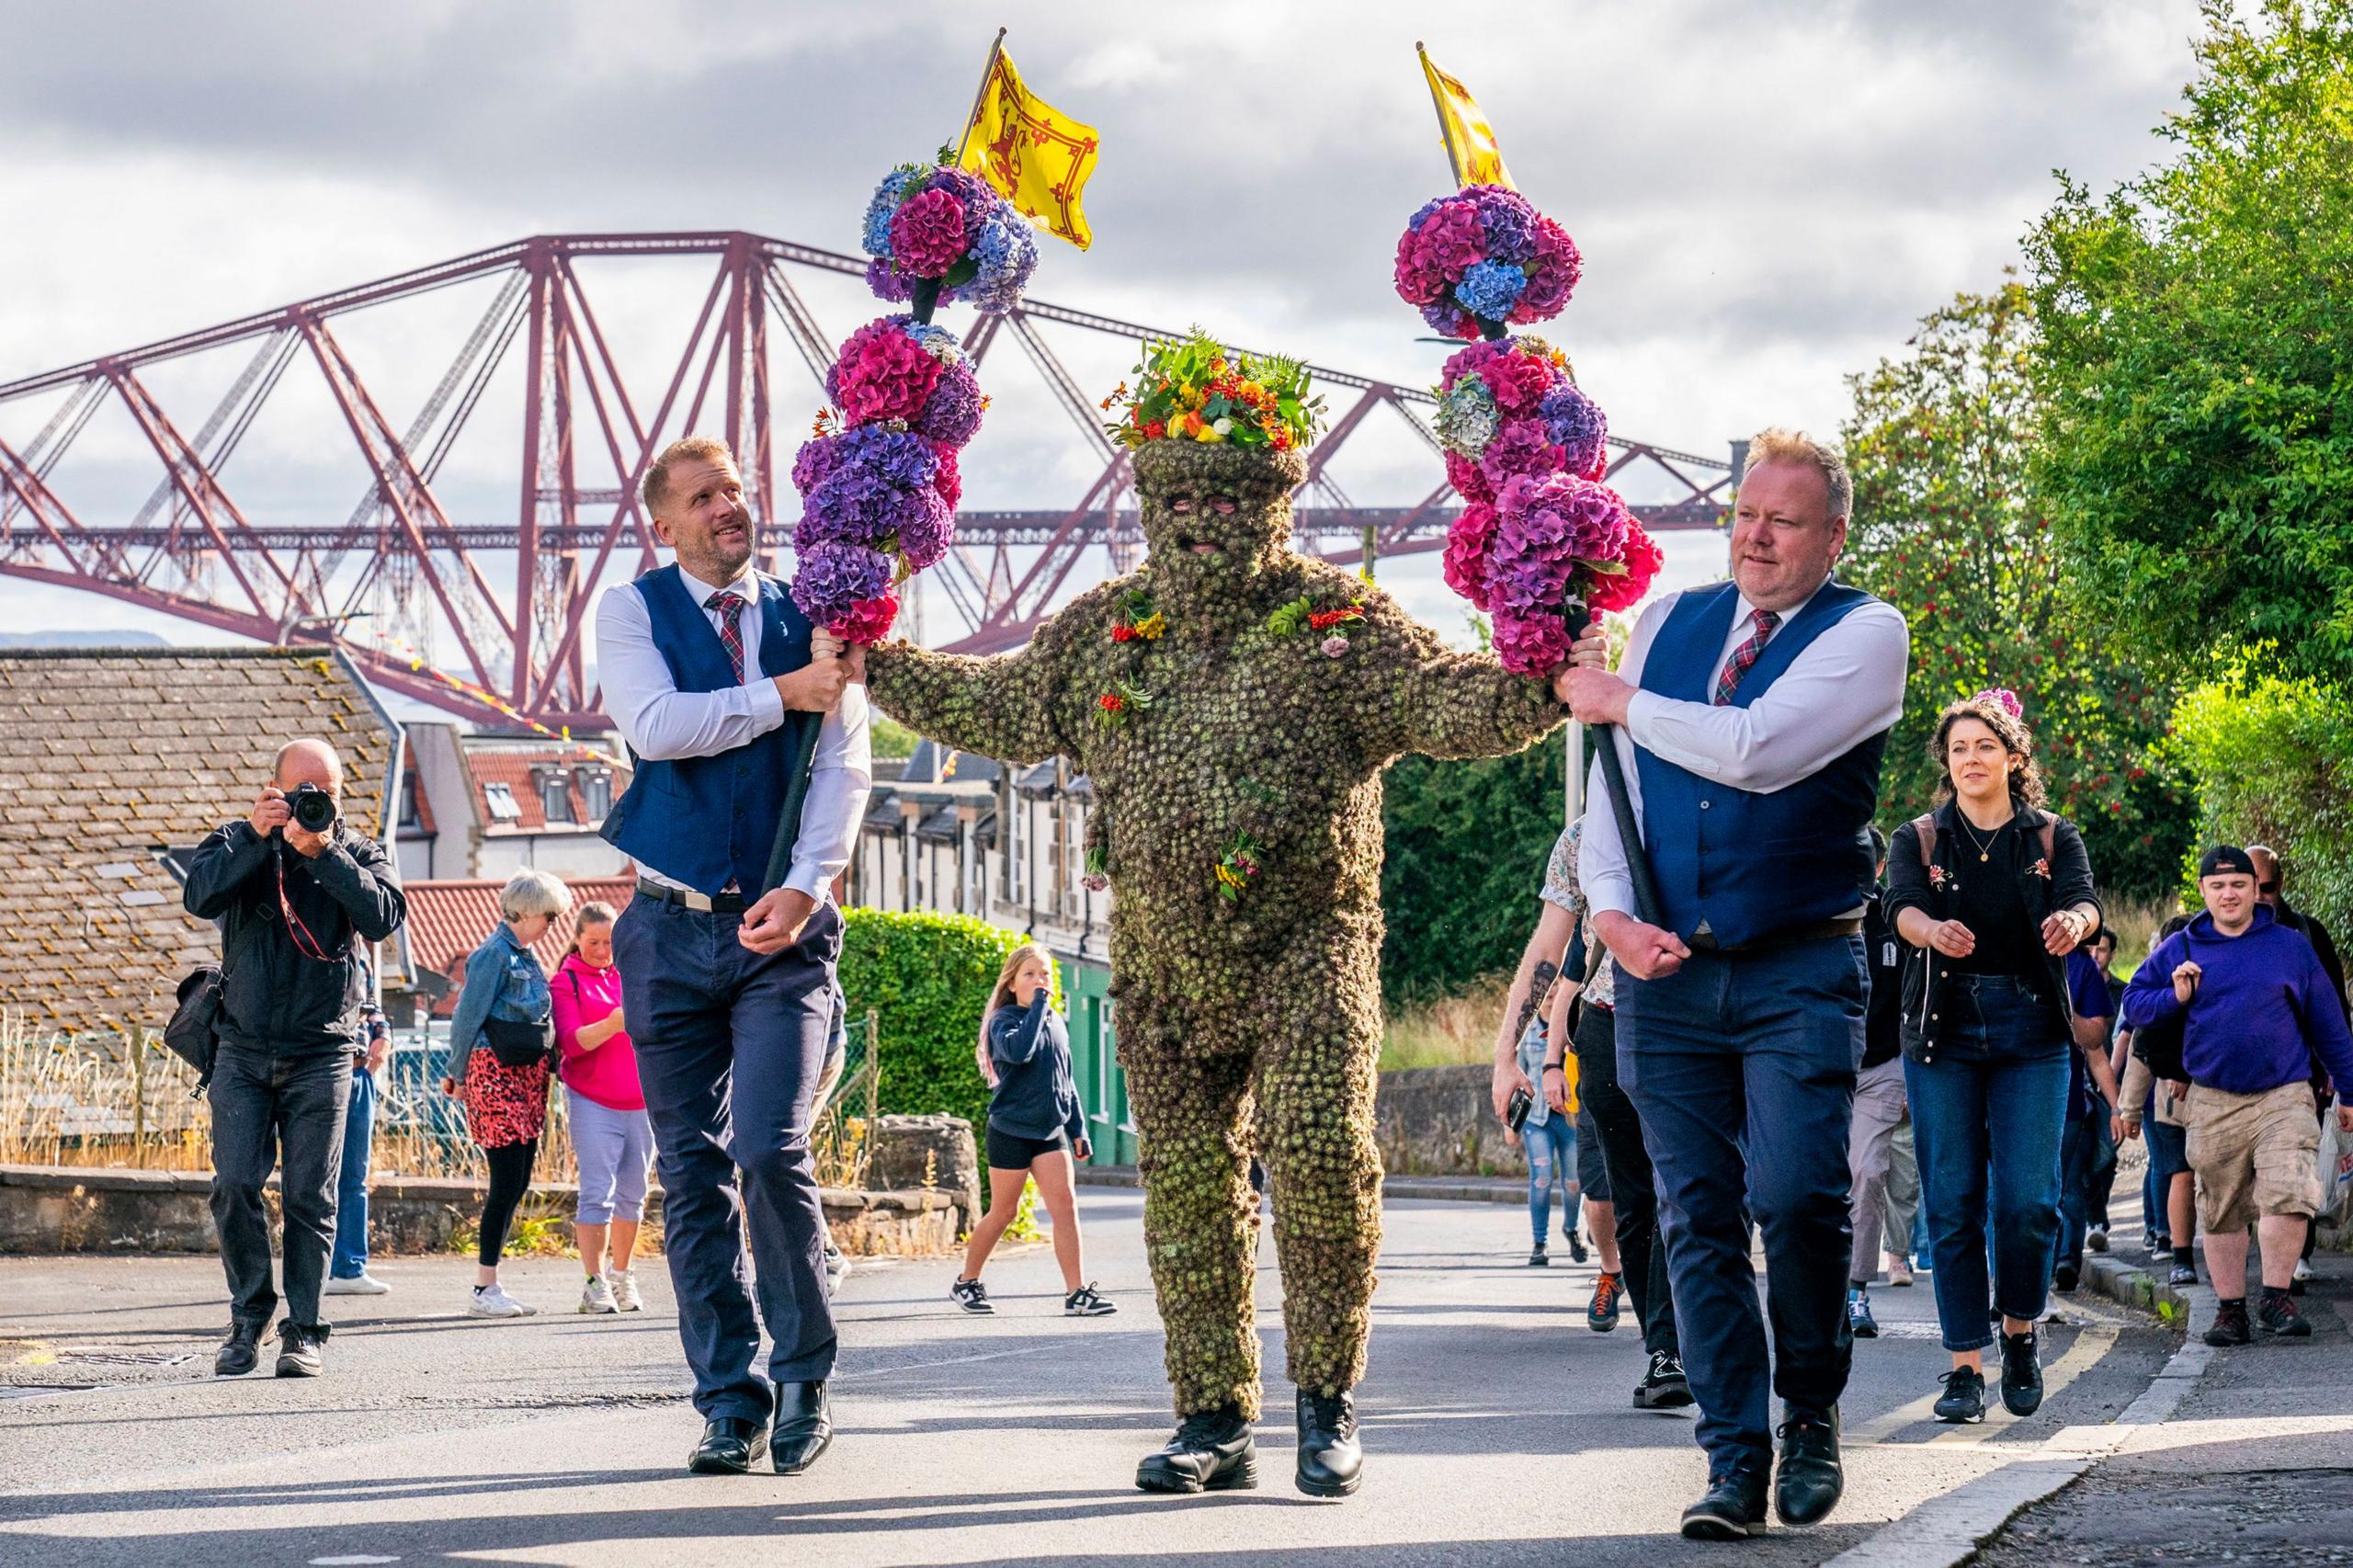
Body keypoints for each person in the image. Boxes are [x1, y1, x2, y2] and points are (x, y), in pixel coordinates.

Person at [1563, 428, 1906, 1537]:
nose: (1756, 536)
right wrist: (1608, 913)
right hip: (1662, 976)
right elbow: (1607, 790)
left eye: (1784, 519)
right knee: (1694, 1217)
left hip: (1799, 961)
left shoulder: (1867, 633)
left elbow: (1755, 748)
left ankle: (1809, 1410)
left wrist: (1619, 700)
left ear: (1832, 534)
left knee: (1796, 1194)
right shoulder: (1669, 620)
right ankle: (1730, 1458)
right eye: (1745, 513)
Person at [597, 435, 868, 1478]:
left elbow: (844, 762)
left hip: (783, 933)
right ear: (663, 524)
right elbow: (657, 727)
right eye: (704, 497)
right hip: (666, 926)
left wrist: (810, 885)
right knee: (692, 1168)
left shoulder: (817, 616)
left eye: (739, 492)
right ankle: (727, 1396)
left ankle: (803, 1374)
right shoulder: (631, 609)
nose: (730, 507)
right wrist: (779, 694)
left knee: (767, 1145)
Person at [1884, 692, 2113, 1425]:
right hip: (1943, 1034)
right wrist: (1929, 932)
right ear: (1947, 763)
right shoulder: (1919, 837)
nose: (1971, 760)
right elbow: (1899, 906)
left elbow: (2086, 903)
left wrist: (2073, 923)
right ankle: (1963, 1366)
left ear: (2013, 758)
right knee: (1950, 1202)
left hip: (2033, 1032)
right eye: (1958, 749)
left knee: (2027, 1203)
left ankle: (2019, 1332)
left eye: (1984, 747)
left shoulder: (2051, 837)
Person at [183, 738, 408, 1379]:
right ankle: (249, 1315)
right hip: (243, 1049)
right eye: (302, 790)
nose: (315, 801)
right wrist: (259, 838)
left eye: (327, 792)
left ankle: (304, 1330)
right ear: (273, 789)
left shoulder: (359, 851)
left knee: (312, 1195)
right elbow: (200, 897)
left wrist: (325, 854)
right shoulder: (237, 839)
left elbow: (385, 915)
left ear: (339, 794)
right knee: (233, 1186)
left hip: (323, 1051)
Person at [2122, 846, 2353, 1346]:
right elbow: (2135, 1004)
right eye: (2219, 886)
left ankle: (2275, 1297)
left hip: (2284, 1094)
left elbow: (2329, 1022)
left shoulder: (2290, 946)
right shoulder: (2182, 946)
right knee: (2221, 1207)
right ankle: (2231, 1312)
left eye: (2240, 886)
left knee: (2291, 1190)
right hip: (2212, 1098)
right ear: (2204, 892)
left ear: (2256, 891)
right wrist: (2176, 996)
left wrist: (2349, 1088)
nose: (2229, 894)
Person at [1537, 820, 1688, 1401]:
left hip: (1690, 1020)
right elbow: (1563, 966)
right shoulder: (1583, 837)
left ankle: (1677, 1344)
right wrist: (1542, 1061)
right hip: (1607, 1025)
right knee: (1635, 1199)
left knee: (1686, 1190)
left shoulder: (1704, 797)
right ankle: (1664, 1352)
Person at [951, 943, 1116, 1318]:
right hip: (1010, 1129)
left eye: (1044, 974)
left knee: (1066, 1207)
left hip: (1049, 1132)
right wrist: (1040, 1008)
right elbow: (1019, 1052)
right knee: (1004, 1211)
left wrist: (1077, 1128)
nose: (1039, 981)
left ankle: (1077, 1292)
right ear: (1012, 982)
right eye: (1030, 974)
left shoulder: (1055, 1021)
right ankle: (966, 1282)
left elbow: (1065, 1079)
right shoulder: (1004, 1021)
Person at [441, 869, 570, 1319]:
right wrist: (457, 1074)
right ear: (528, 911)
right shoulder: (493, 955)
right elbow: (465, 1018)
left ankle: (490, 1282)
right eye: (549, 916)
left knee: (519, 1180)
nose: (553, 924)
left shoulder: (526, 955)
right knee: (505, 1181)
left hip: (527, 1077)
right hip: (495, 1073)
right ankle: (484, 1286)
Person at [2247, 845, 2347, 1290]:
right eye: (2250, 886)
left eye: (2265, 887)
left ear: (2279, 886)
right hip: (2239, 1079)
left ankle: (2295, 1258)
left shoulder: (2307, 933)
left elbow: (2335, 1011)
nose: (2256, 896)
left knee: (2293, 1168)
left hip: (2299, 1075)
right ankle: (2266, 1260)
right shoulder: (2216, 933)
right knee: (2252, 1175)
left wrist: (2339, 1075)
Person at [551, 900, 654, 1314]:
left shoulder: (631, 974)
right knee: (598, 1193)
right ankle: (593, 1282)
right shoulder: (566, 982)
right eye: (594, 941)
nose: (602, 950)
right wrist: (613, 1023)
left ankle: (622, 1275)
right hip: (593, 1099)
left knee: (635, 1194)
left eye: (609, 941)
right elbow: (571, 1044)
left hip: (642, 1101)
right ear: (577, 939)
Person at [1847, 826, 1906, 1340]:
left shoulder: (1897, 919)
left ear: (1881, 867)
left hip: (1881, 1067)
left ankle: (1855, 1291)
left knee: (1866, 1175)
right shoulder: (1813, 910)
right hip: (1816, 1069)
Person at [2116, 914, 2198, 1283]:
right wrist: (2129, 1109)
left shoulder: (2159, 997)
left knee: (2191, 1175)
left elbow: (2139, 1049)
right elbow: (2140, 1048)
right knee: (2183, 1174)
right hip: (2174, 1104)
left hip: (2185, 1101)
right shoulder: (2163, 1000)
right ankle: (2180, 1252)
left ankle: (2183, 1256)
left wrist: (2129, 1109)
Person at [2052, 939, 2118, 1291]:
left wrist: (2119, 1108)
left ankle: (2066, 1260)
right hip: (2007, 1100)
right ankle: (2028, 1272)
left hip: (2069, 1100)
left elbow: (2096, 1045)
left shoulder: (2081, 967)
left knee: (2068, 1183)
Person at [325, 991, 392, 1297]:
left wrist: (383, 1036)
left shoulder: (359, 954)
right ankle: (315, 1267)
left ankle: (349, 1267)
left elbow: (373, 1008)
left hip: (359, 1075)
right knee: (316, 1175)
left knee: (354, 1176)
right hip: (323, 1073)